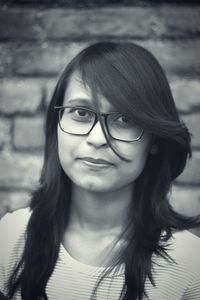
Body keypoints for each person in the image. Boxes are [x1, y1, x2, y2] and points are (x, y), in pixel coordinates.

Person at [0, 42, 200, 300]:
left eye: (124, 119)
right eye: (81, 112)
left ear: (155, 141)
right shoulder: (10, 238)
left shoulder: (189, 264)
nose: (97, 138)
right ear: (57, 124)